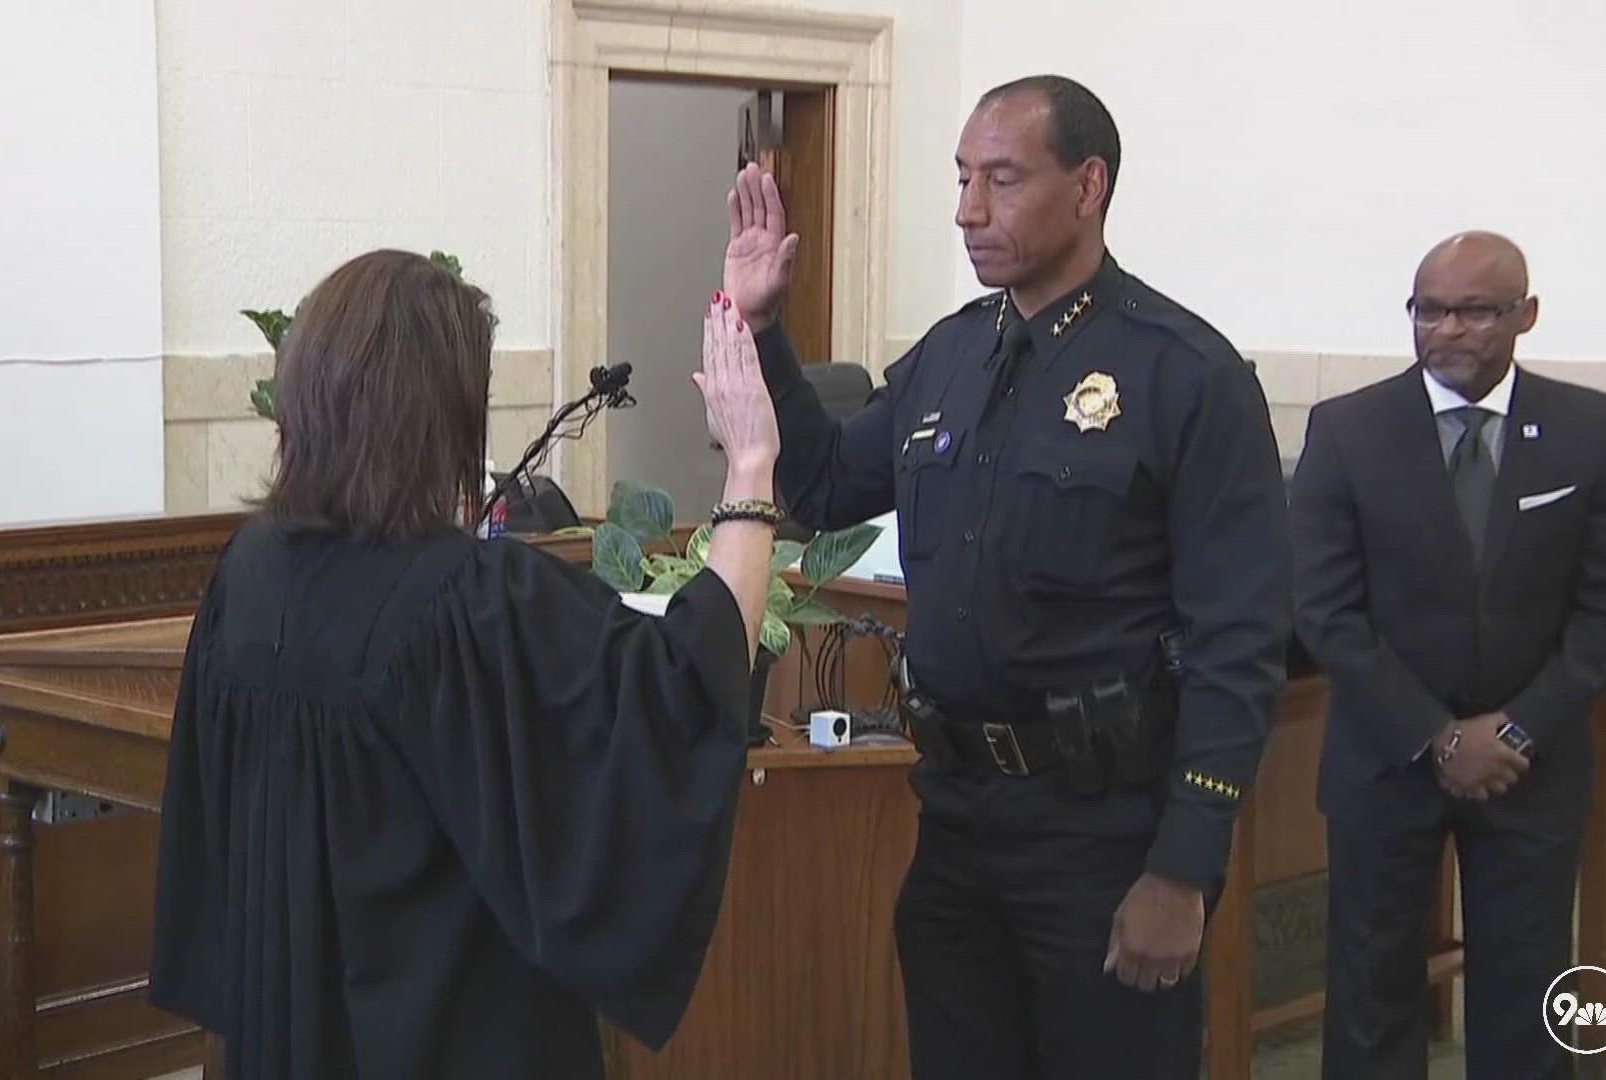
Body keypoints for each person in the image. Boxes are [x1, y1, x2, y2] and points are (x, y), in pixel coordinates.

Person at [721, 75, 1290, 1078]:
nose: (966, 210)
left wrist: (1183, 868)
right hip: (958, 822)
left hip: (1106, 833)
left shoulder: (1184, 374)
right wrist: (766, 329)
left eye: (1001, 179)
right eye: (960, 179)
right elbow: (818, 485)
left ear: (1088, 186)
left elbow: (1239, 643)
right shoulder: (948, 358)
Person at [148, 249, 786, 1078]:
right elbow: (682, 685)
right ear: (438, 416)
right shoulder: (466, 601)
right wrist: (749, 469)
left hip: (290, 1040)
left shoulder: (247, 572)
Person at [1292, 232, 1606, 1080]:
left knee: (1528, 994)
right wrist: (1438, 735)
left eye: (1475, 311)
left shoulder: (1587, 428)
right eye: (1430, 310)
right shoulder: (1348, 430)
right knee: (1372, 994)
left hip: (1530, 765)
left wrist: (1517, 730)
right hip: (1386, 760)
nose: (1448, 330)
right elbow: (1324, 608)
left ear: (1525, 315)